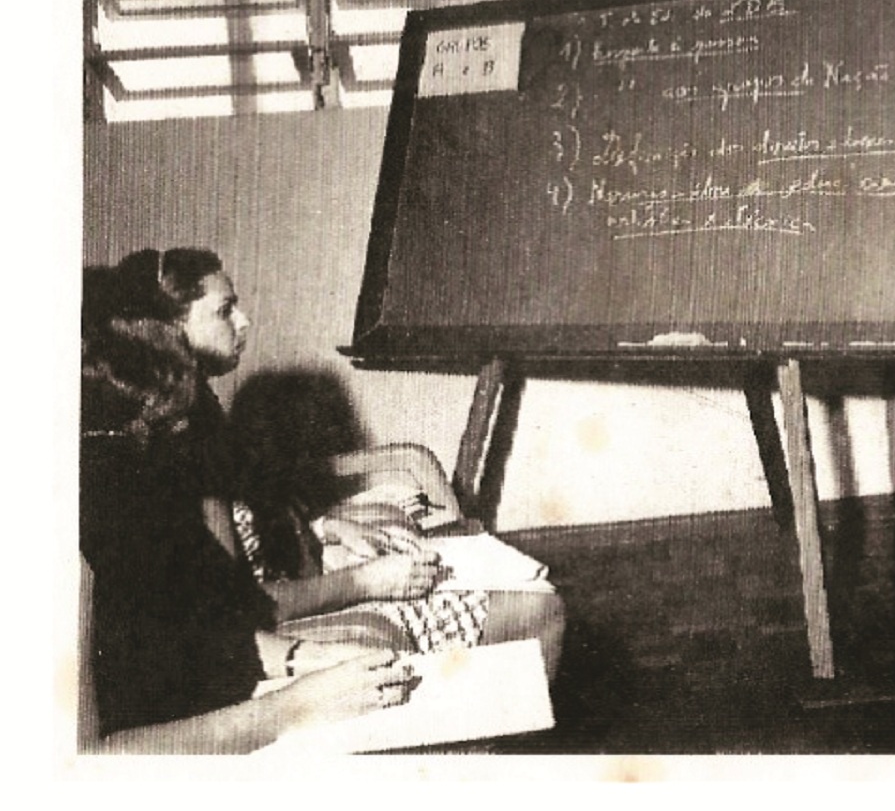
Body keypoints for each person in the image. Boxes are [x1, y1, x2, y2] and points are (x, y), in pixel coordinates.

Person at [112, 247, 565, 680]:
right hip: (281, 631)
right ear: (172, 327)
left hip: (295, 584)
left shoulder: (198, 413)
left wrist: (323, 529)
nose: (244, 321)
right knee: (541, 612)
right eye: (224, 310)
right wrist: (366, 582)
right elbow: (242, 608)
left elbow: (251, 517)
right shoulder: (183, 447)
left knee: (497, 582)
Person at [79, 266, 415, 753]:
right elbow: (87, 766)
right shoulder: (79, 527)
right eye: (156, 426)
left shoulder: (142, 489)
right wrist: (293, 707)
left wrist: (304, 657)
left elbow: (193, 637)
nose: (177, 445)